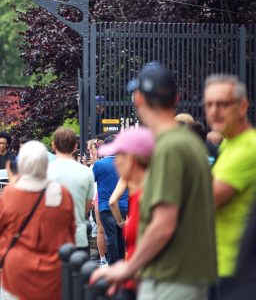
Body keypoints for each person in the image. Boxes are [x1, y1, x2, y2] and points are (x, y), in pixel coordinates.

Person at [93, 64, 216, 299]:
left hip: (170, 276)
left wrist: (128, 268)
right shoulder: (189, 144)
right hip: (187, 272)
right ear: (176, 99)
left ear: (137, 99)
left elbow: (164, 223)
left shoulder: (168, 147)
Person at [0, 141, 75, 298]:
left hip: (18, 267)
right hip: (54, 267)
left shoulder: (11, 194)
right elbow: (70, 228)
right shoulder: (61, 193)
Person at [203, 75, 256, 297]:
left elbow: (203, 202)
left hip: (238, 273)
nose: (215, 111)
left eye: (223, 104)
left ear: (243, 106)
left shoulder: (247, 148)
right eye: (209, 104)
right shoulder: (229, 146)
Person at [100, 127, 154, 294]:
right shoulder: (148, 187)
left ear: (132, 158)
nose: (115, 162)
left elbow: (112, 201)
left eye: (120, 156)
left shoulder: (147, 196)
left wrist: (121, 222)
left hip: (146, 281)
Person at [47, 127, 95, 254]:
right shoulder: (86, 172)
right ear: (75, 146)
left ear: (54, 145)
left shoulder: (45, 171)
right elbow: (88, 204)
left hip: (52, 236)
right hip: (78, 234)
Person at [92, 134, 128, 264]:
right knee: (120, 236)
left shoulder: (99, 164)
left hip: (105, 206)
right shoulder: (124, 163)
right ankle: (121, 262)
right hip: (123, 205)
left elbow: (92, 180)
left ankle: (113, 264)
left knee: (111, 236)